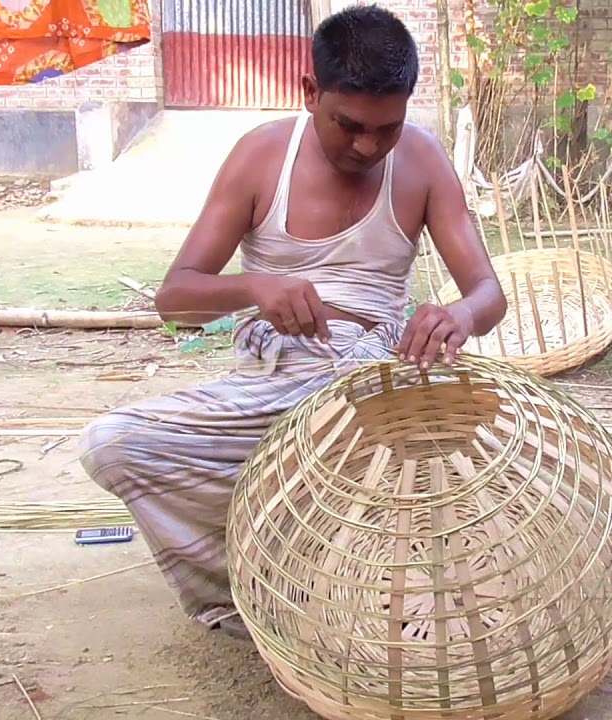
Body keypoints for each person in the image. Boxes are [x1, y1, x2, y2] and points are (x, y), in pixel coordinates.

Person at [78, 4, 507, 641]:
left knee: (404, 430)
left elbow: (488, 293)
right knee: (113, 444)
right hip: (271, 385)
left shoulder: (421, 159)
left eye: (386, 128)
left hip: (375, 381)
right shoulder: (262, 156)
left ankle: (326, 559)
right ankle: (252, 586)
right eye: (349, 126)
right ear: (310, 91)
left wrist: (458, 315)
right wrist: (255, 287)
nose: (368, 146)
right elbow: (175, 299)